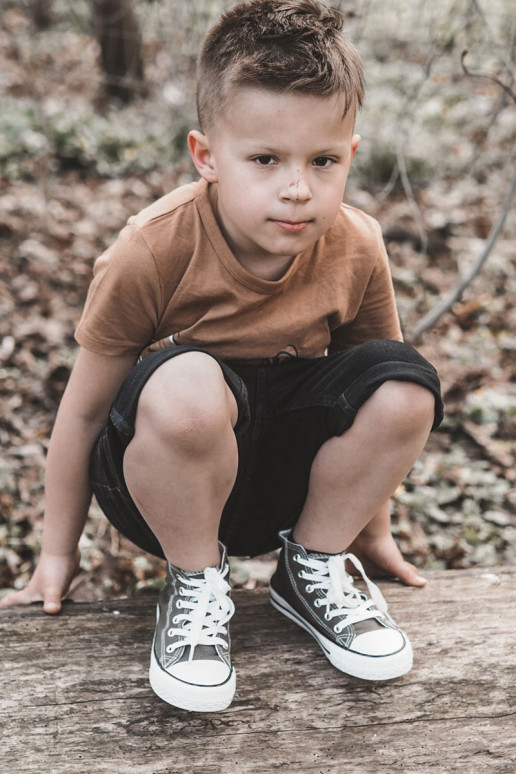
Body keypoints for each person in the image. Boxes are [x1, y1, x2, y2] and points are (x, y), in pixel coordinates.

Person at [0, 0, 443, 713]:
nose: (298, 187)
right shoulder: (153, 248)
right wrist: (57, 556)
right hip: (170, 481)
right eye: (266, 159)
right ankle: (195, 584)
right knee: (188, 386)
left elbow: (369, 395)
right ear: (206, 156)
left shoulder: (357, 245)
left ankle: (313, 568)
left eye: (322, 160)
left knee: (407, 385)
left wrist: (371, 529)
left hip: (280, 488)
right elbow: (81, 416)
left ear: (350, 156)